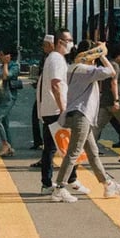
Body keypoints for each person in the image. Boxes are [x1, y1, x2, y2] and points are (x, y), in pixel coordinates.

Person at [50, 41, 120, 202]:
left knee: (93, 153)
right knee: (73, 152)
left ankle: (108, 184)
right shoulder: (87, 70)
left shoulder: (72, 67)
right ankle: (59, 188)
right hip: (82, 115)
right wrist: (103, 55)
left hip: (74, 114)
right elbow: (111, 71)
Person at [37, 29, 81, 194]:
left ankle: (49, 183)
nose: (71, 43)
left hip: (51, 109)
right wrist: (64, 110)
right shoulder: (56, 59)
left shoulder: (55, 58)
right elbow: (56, 84)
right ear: (60, 41)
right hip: (56, 110)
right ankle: (69, 180)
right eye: (69, 40)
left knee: (51, 148)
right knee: (68, 147)